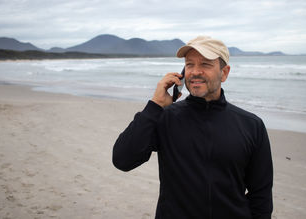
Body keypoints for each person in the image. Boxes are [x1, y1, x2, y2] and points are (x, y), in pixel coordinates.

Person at [113, 36, 273, 219]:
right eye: (189, 64)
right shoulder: (165, 118)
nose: (195, 72)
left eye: (205, 64)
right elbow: (122, 159)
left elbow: (261, 197)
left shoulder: (251, 126)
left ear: (224, 73)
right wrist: (155, 105)